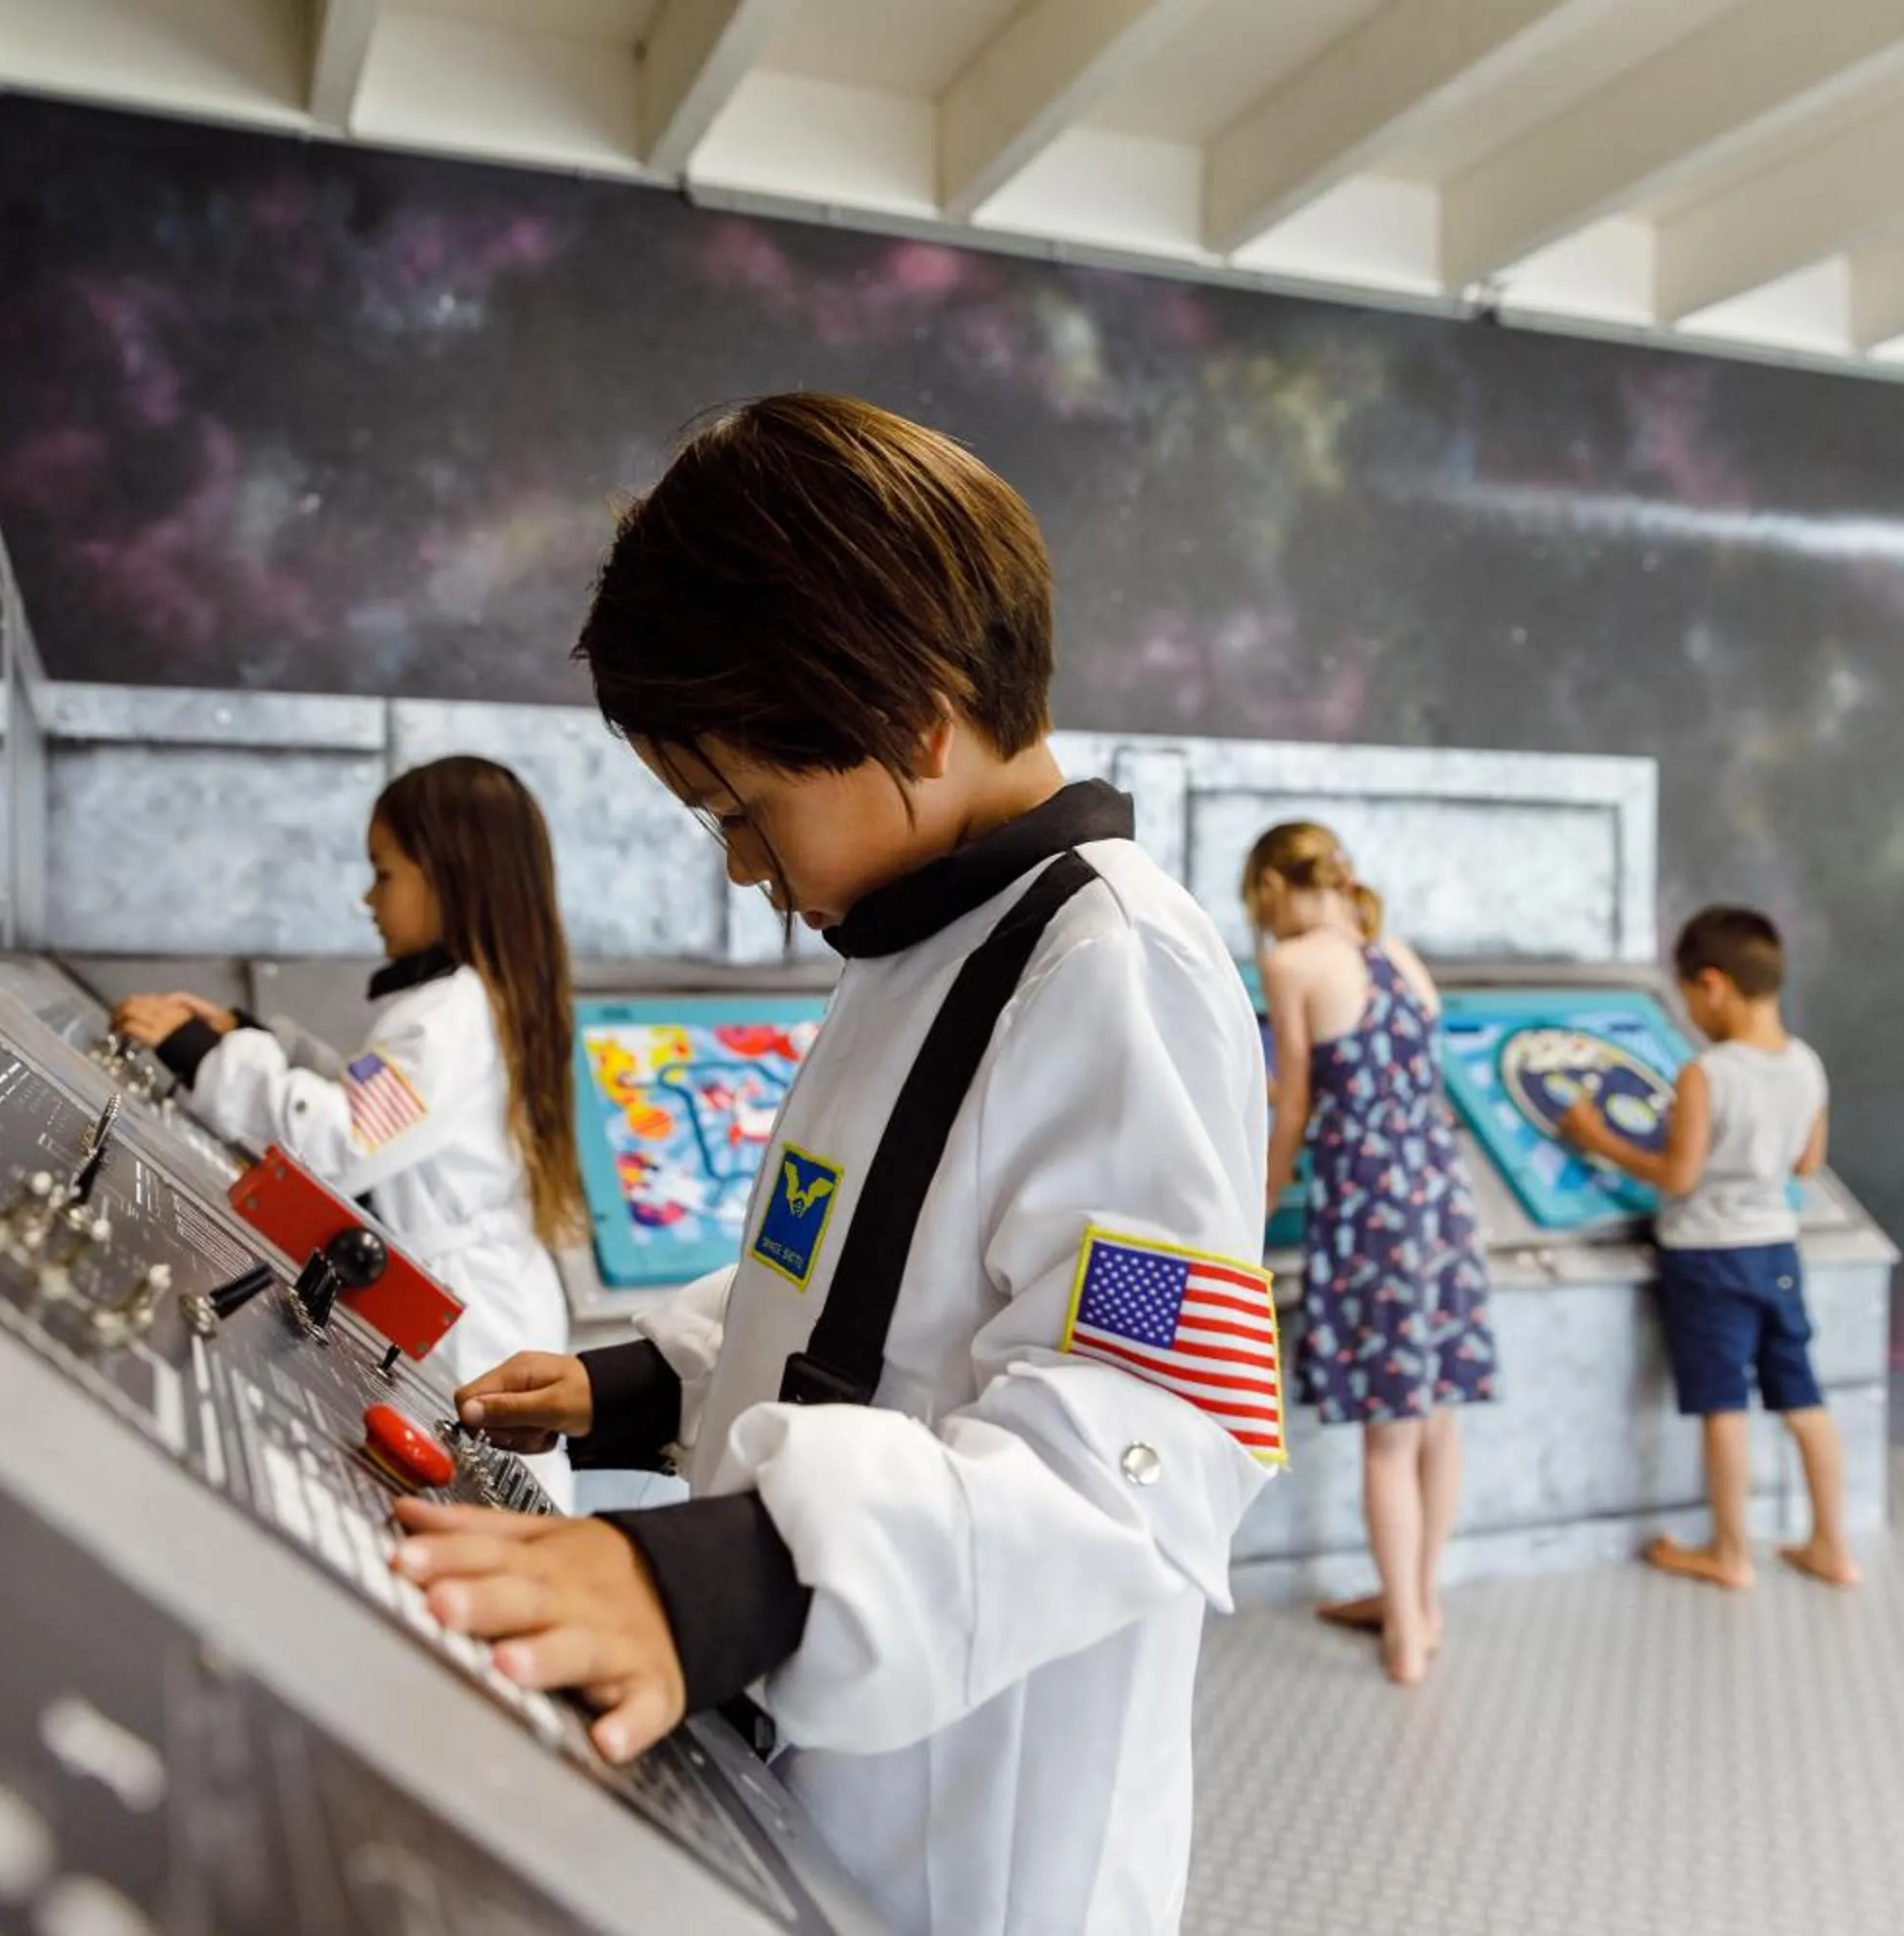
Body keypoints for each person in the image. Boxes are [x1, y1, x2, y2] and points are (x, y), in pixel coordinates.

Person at [383, 394, 1282, 1935]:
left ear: (914, 718)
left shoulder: (1117, 966)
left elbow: (1149, 1432)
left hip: (969, 1844)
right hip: (812, 1764)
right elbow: (842, 1285)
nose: (747, 869)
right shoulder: (912, 950)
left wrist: (730, 1578)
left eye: (746, 813)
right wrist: (646, 1380)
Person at [111, 756, 586, 1508]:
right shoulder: (474, 1000)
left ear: (448, 876)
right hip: (482, 1299)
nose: (369, 898)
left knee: (474, 1508)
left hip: (468, 1325)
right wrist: (248, 1035)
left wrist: (203, 1056)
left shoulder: (448, 1018)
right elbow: (374, 1100)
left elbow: (342, 1139)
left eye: (384, 873)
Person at [1245, 822, 1494, 1685]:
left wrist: (1262, 1197)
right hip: (1441, 1200)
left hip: (1370, 1208)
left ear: (1272, 889)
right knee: (1435, 1420)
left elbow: (1295, 1108)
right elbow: (1406, 1082)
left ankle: (1405, 1637)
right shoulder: (1398, 956)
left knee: (1387, 1436)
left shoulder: (1290, 964)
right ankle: (1419, 1601)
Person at [1560, 905, 1859, 1590]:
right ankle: (1832, 1546)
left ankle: (1730, 1553)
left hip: (1708, 1257)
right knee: (1803, 1401)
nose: (1690, 1012)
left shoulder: (1707, 1074)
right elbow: (1808, 1163)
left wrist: (1596, 1137)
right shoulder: (1806, 1065)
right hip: (1777, 1252)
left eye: (1689, 995)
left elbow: (1678, 1175)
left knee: (1724, 1405)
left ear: (1714, 984)